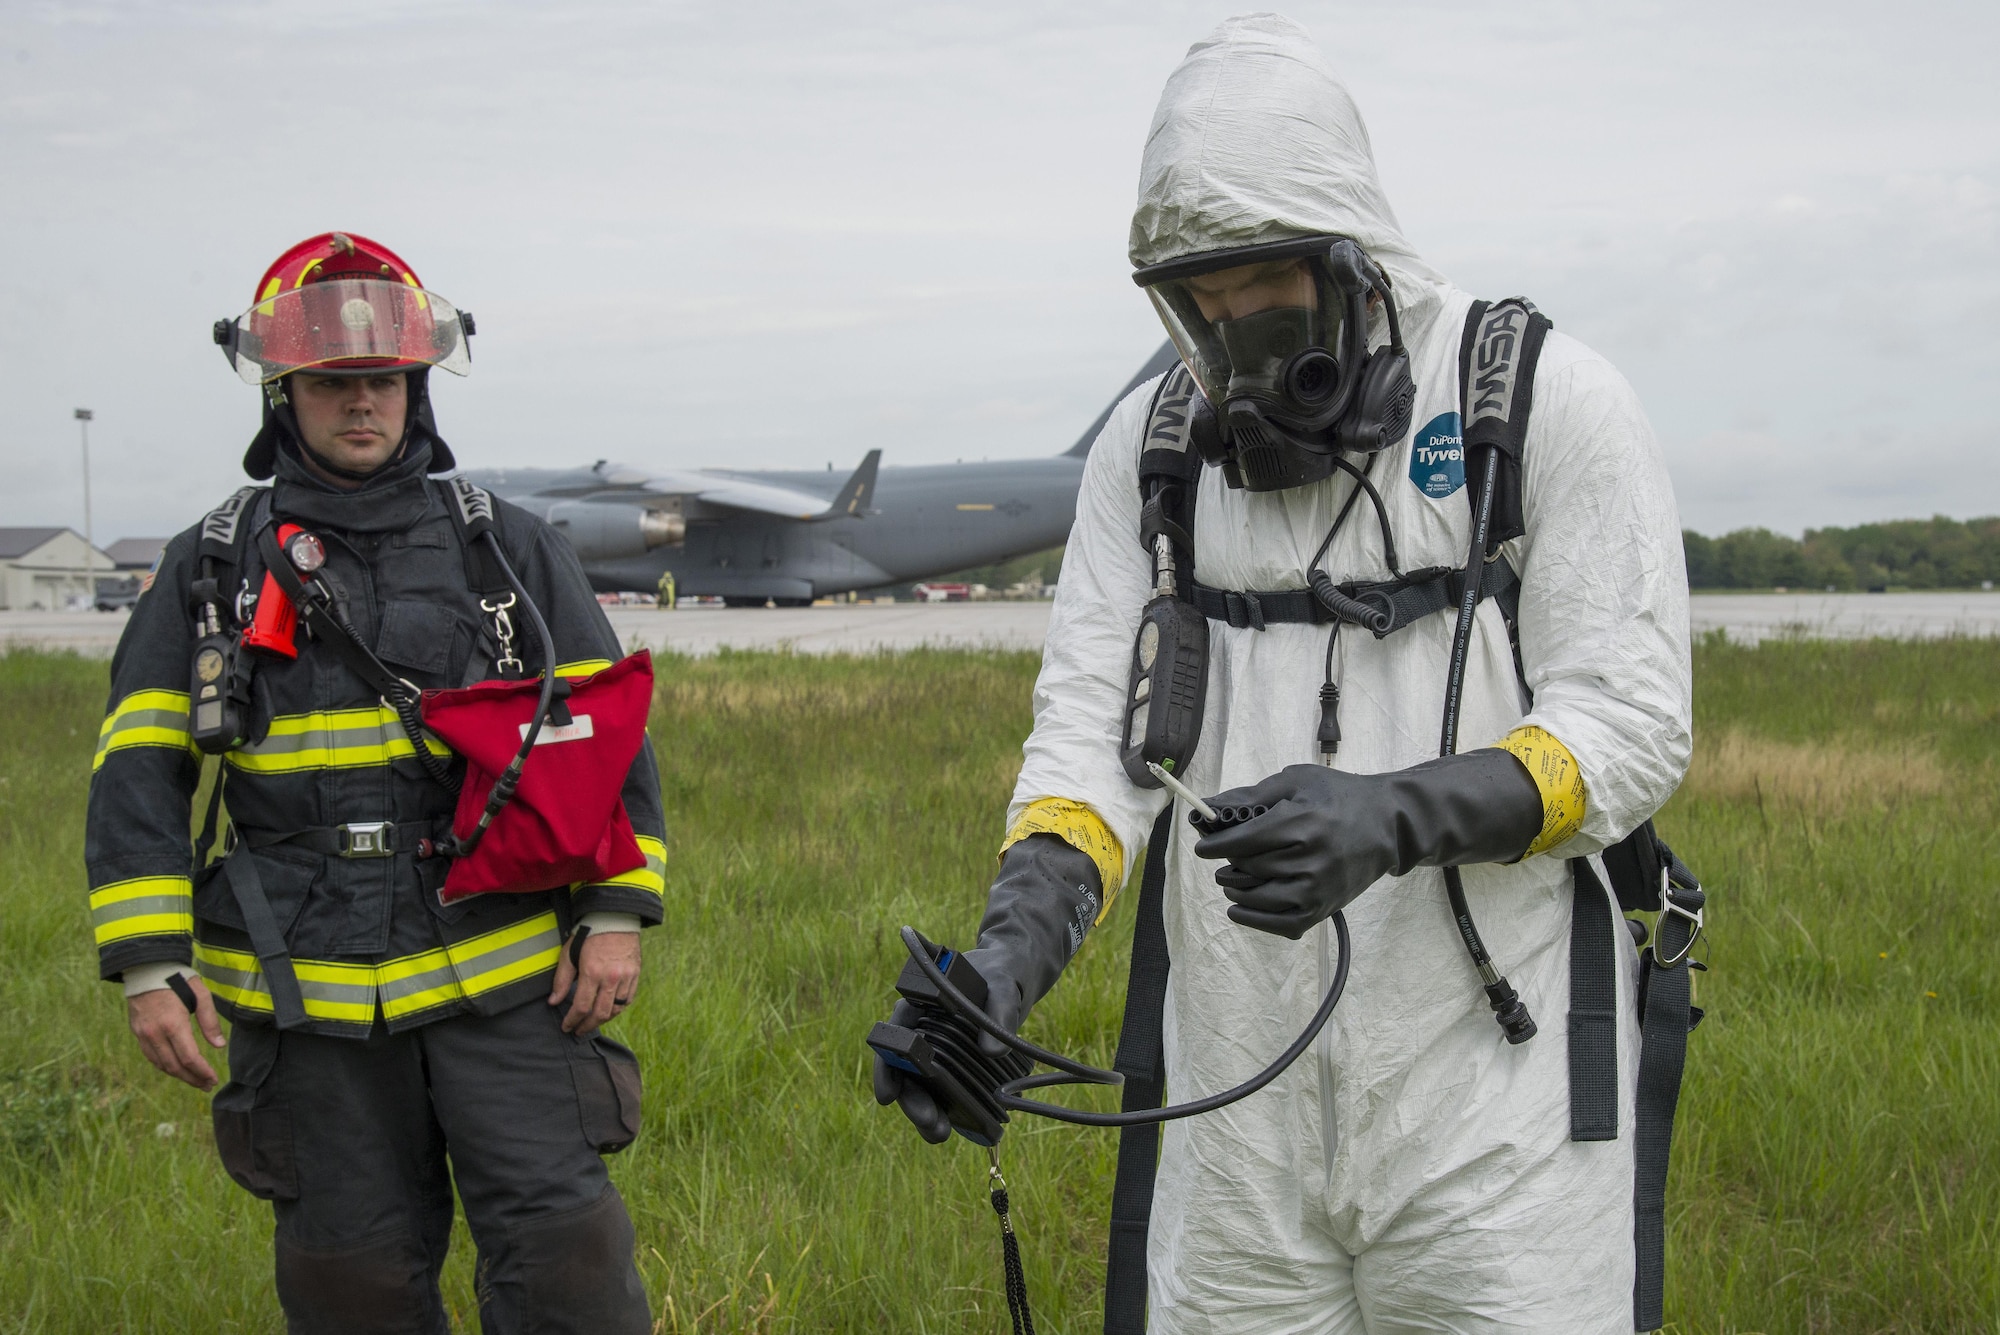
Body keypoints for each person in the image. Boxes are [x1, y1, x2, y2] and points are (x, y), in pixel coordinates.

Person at [875, 16, 1691, 1333]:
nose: (1233, 329)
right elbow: (1094, 741)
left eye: (1265, 287)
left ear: (1353, 256)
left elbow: (1633, 724)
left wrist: (1393, 813)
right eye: (1201, 298)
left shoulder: (1540, 404)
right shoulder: (1148, 460)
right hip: (1237, 1120)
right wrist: (1003, 970)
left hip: (1500, 1114)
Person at [86, 232, 665, 1333]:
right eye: (334, 383)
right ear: (282, 392)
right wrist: (148, 963)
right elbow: (138, 775)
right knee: (349, 1285)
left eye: (385, 381)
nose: (364, 405)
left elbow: (607, 748)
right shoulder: (209, 567)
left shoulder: (510, 549)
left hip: (507, 988)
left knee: (566, 1268)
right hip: (306, 1008)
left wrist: (615, 913)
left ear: (417, 388)